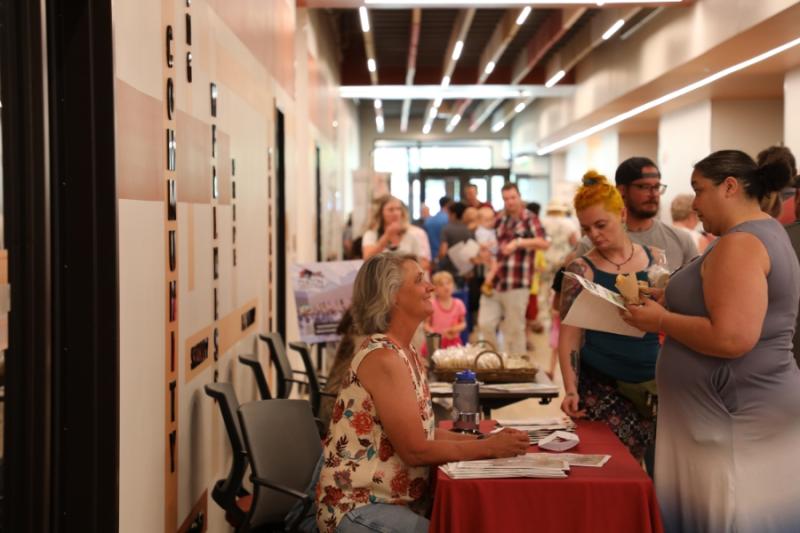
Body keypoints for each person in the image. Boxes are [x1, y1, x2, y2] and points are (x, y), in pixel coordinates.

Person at [622, 150, 800, 532]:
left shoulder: (743, 243)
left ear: (730, 187)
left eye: (699, 190)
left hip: (734, 415)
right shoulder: (760, 234)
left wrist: (661, 319)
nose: (695, 203)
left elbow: (732, 337)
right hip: (731, 413)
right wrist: (667, 299)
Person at [316, 253, 529, 533]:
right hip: (360, 507)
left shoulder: (406, 351)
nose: (430, 286)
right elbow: (415, 450)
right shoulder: (384, 358)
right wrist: (488, 448)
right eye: (419, 280)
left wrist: (486, 440)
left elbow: (424, 431)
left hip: (392, 502)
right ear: (391, 295)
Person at [559, 171, 666, 469]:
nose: (594, 234)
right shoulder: (581, 269)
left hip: (650, 383)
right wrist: (570, 388)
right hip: (601, 385)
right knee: (612, 470)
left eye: (600, 224)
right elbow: (569, 335)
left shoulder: (657, 259)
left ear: (621, 214)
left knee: (654, 472)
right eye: (586, 228)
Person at [573, 157, 697, 271]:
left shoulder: (681, 239)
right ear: (622, 190)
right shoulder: (592, 244)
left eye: (656, 187)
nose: (653, 194)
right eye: (644, 187)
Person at [477, 183, 549, 354]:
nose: (509, 202)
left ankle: (516, 369)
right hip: (495, 282)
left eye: (512, 197)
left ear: (519, 197)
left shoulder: (530, 218)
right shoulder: (500, 219)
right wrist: (487, 251)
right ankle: (492, 362)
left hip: (517, 283)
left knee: (514, 331)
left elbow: (544, 243)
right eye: (505, 198)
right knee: (485, 323)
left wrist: (519, 243)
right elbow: (496, 246)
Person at [362, 196, 431, 270]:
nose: (396, 213)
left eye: (398, 209)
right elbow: (367, 259)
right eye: (391, 209)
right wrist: (387, 236)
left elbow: (425, 262)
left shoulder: (413, 234)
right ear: (381, 213)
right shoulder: (371, 234)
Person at [424, 271, 467, 350]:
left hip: (453, 343)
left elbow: (463, 323)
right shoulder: (432, 305)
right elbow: (426, 324)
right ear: (435, 289)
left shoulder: (459, 304)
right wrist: (433, 333)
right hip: (436, 343)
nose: (446, 287)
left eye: (448, 283)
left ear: (453, 285)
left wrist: (454, 329)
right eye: (441, 285)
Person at [437, 201, 472, 281]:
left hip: (448, 270)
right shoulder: (469, 229)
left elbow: (443, 252)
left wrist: (437, 261)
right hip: (465, 270)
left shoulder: (446, 229)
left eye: (448, 213)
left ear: (453, 215)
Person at [423, 197, 451, 261]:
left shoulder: (428, 221)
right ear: (449, 205)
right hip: (445, 258)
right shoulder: (449, 220)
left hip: (431, 257)